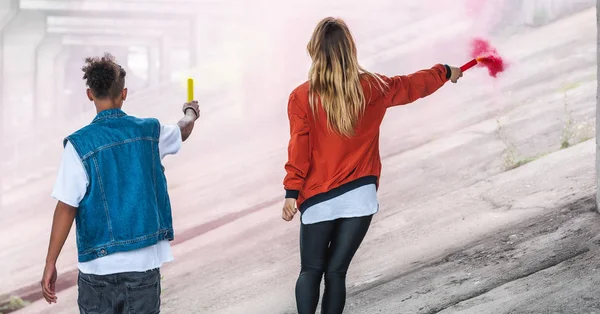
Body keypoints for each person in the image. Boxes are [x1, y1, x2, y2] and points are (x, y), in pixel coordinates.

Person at [281, 17, 462, 314]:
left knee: (310, 271)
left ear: (313, 50)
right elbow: (413, 85)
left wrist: (291, 192)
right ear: (350, 49)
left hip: (318, 199)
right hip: (359, 199)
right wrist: (445, 71)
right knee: (336, 273)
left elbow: (298, 149)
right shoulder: (373, 86)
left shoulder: (302, 97)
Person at [40, 53, 200, 313]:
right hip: (142, 264)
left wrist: (50, 262)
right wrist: (191, 111)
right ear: (124, 93)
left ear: (89, 94)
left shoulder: (78, 145)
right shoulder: (149, 131)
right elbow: (183, 129)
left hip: (96, 268)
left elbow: (66, 206)